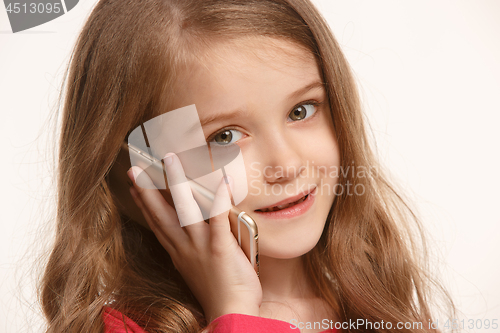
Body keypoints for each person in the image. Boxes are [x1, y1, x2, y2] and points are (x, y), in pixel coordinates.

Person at [39, 0, 455, 332]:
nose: (287, 165)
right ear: (146, 168)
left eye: (301, 110)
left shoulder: (377, 306)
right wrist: (234, 313)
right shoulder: (120, 328)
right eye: (224, 137)